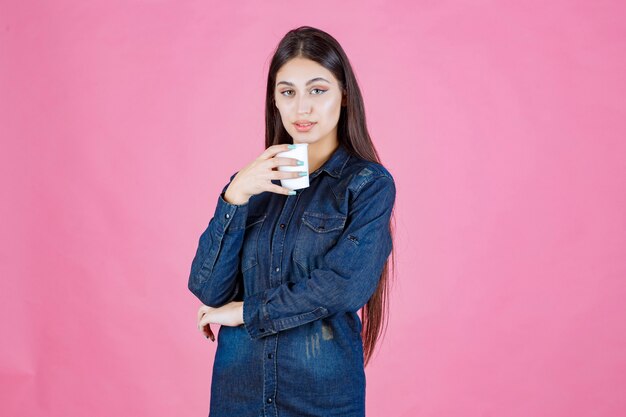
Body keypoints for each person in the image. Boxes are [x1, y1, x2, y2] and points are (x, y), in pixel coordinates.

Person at [188, 25, 397, 417]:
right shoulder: (250, 184)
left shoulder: (368, 185)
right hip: (238, 396)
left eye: (318, 90)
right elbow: (208, 289)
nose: (302, 108)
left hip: (321, 399)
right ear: (275, 102)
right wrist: (234, 197)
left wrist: (245, 313)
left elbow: (343, 288)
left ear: (344, 96)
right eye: (288, 92)